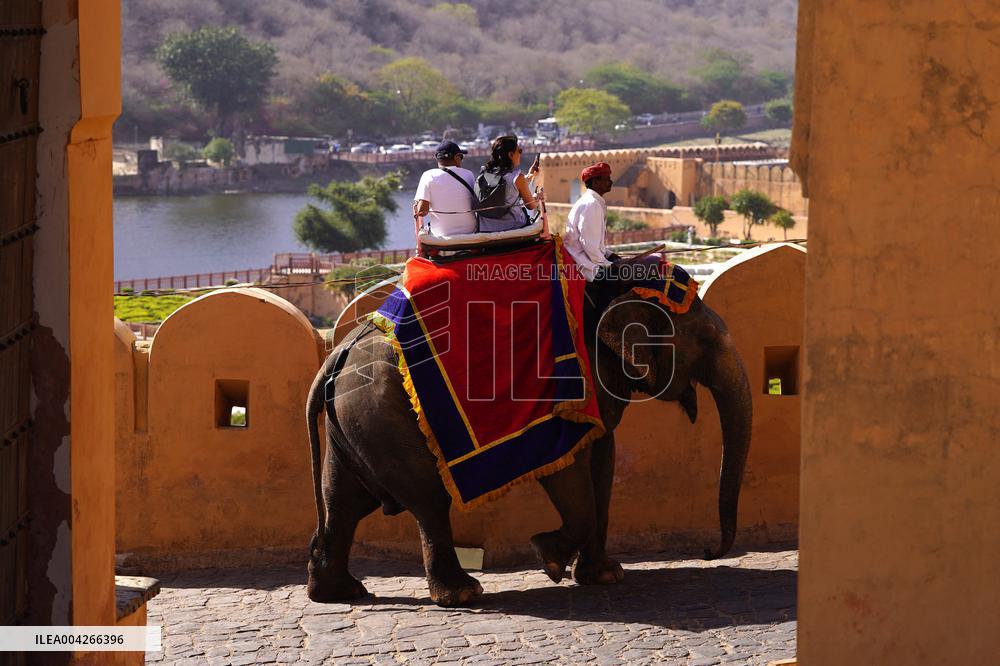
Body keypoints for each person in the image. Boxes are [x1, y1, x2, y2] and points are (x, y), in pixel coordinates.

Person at [563, 162, 619, 282]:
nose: (611, 182)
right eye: (606, 179)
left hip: (588, 260)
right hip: (585, 265)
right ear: (595, 182)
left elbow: (592, 242)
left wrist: (609, 255)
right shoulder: (592, 204)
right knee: (622, 279)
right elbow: (589, 244)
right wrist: (607, 264)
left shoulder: (592, 202)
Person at [475, 135, 543, 233]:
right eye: (519, 151)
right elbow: (531, 205)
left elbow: (507, 186)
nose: (520, 154)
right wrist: (537, 197)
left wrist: (529, 176)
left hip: (486, 229)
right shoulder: (517, 178)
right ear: (510, 154)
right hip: (513, 228)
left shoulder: (485, 173)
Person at [413, 140, 477, 240]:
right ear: (456, 157)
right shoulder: (469, 174)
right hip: (470, 232)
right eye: (461, 157)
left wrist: (417, 205)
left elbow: (422, 211)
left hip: (442, 236)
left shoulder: (428, 175)